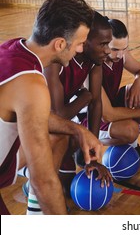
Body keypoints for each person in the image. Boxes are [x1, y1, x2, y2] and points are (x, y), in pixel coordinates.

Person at [0, 0, 105, 215]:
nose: (80, 49)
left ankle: (35, 214)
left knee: (59, 135)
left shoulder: (12, 49)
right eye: (79, 43)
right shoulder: (32, 85)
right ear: (59, 44)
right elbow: (43, 181)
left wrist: (78, 129)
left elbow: (35, 114)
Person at [44, 10, 112, 194]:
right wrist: (84, 97)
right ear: (84, 41)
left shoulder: (94, 61)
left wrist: (93, 157)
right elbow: (56, 115)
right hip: (33, 127)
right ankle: (31, 177)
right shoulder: (56, 61)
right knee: (62, 190)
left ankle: (64, 166)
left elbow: (96, 103)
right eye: (103, 44)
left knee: (67, 189)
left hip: (57, 122)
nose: (107, 50)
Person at [98, 18, 140, 161]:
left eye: (124, 48)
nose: (120, 55)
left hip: (110, 104)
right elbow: (108, 115)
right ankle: (86, 140)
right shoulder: (96, 63)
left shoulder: (121, 55)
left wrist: (138, 81)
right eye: (114, 50)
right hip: (92, 117)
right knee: (130, 130)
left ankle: (132, 146)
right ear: (103, 44)